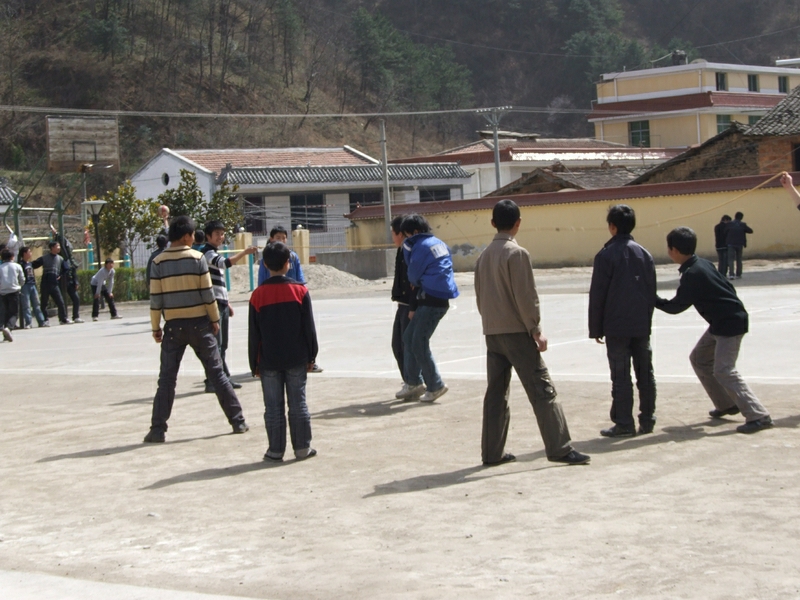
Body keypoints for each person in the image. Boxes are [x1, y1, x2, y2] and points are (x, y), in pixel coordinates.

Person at [474, 200, 590, 466]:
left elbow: (481, 298)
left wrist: (491, 324)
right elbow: (526, 297)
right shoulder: (517, 254)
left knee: (496, 394)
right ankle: (560, 448)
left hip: (492, 333)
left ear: (493, 223)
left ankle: (492, 452)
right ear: (518, 223)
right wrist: (535, 329)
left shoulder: (483, 257)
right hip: (517, 332)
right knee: (542, 389)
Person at [656, 226, 772, 434]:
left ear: (674, 250)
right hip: (722, 322)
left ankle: (758, 415)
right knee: (699, 358)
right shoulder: (703, 264)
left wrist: (652, 299)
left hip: (729, 324)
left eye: (669, 248)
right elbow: (729, 288)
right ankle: (726, 404)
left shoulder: (692, 274)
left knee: (724, 370)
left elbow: (675, 307)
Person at [144, 215, 249, 443]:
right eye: (192, 235)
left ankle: (157, 430)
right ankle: (237, 421)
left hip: (173, 327)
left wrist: (155, 327)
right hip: (200, 324)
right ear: (185, 236)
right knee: (217, 374)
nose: (194, 239)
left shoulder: (158, 262)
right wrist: (214, 319)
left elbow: (156, 299)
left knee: (166, 380)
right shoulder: (197, 258)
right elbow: (207, 293)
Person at [589, 204, 657, 437]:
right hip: (640, 324)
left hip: (616, 326)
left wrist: (596, 328)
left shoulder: (605, 256)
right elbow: (651, 292)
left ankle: (624, 422)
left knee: (621, 376)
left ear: (612, 227)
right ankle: (647, 419)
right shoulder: (644, 254)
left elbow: (598, 295)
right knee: (645, 374)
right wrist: (647, 321)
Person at [249, 241, 318, 462]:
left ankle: (275, 450)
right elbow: (309, 328)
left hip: (268, 360)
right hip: (297, 357)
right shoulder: (300, 291)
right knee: (298, 404)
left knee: (272, 407)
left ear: (265, 265)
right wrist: (312, 356)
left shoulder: (257, 295)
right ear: (289, 263)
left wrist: (254, 363)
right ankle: (302, 448)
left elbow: (254, 334)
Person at [395, 214, 459, 403]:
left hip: (431, 299)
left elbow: (413, 275)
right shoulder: (438, 243)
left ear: (414, 232)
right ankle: (413, 382)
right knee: (409, 337)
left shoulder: (419, 246)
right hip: (438, 297)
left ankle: (435, 385)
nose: (406, 238)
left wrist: (416, 281)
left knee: (418, 342)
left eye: (407, 234)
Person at [200, 220, 258, 393]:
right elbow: (225, 263)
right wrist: (245, 252)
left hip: (221, 302)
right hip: (214, 304)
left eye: (222, 233)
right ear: (208, 236)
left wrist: (227, 303)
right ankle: (213, 380)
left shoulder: (212, 252)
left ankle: (222, 378)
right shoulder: (207, 253)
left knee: (222, 345)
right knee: (216, 345)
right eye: (217, 234)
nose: (220, 237)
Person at [256, 226, 323, 373]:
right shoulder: (266, 259)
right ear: (271, 239)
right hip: (274, 300)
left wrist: (303, 294)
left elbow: (300, 278)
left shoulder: (293, 256)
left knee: (300, 330)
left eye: (283, 237)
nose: (281, 240)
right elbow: (261, 282)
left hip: (293, 299)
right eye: (277, 237)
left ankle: (308, 359)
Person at [390, 215, 415, 398]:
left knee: (407, 346)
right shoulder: (401, 250)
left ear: (401, 234)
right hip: (402, 305)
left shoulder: (408, 250)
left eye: (393, 233)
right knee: (398, 345)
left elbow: (413, 281)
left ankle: (413, 382)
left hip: (409, 306)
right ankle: (410, 381)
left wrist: (413, 307)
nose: (392, 237)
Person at [32, 240, 70, 325]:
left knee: (60, 302)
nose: (59, 248)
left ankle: (63, 319)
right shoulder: (44, 258)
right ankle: (45, 320)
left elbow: (66, 269)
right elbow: (34, 264)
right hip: (45, 283)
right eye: (57, 246)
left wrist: (60, 275)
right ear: (52, 248)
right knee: (44, 303)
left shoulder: (60, 259)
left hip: (54, 284)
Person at [52, 227, 83, 323]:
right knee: (62, 301)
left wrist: (75, 281)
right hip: (62, 280)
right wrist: (56, 235)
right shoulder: (60, 258)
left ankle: (75, 316)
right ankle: (63, 318)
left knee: (76, 299)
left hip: (70, 281)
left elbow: (73, 270)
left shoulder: (69, 259)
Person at [18, 246, 47, 328]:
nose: (30, 253)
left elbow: (38, 263)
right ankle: (28, 322)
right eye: (29, 252)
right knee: (26, 305)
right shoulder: (20, 264)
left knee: (36, 304)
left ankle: (41, 321)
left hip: (32, 285)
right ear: (24, 253)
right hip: (25, 285)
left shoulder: (30, 264)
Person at [0, 247, 24, 341]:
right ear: (12, 257)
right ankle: (9, 328)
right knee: (14, 313)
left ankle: (6, 334)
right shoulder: (17, 266)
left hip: (3, 293)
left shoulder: (0, 267)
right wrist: (20, 285)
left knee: (6, 312)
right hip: (14, 291)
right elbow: (22, 279)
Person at [725, 211, 753, 280]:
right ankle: (738, 274)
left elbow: (724, 232)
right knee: (739, 259)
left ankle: (731, 274)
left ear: (735, 216)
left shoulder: (729, 224)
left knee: (731, 259)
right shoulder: (742, 224)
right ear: (741, 218)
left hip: (731, 243)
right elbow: (750, 231)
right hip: (740, 244)